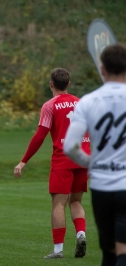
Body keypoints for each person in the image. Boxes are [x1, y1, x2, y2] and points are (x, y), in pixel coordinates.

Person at [13, 68, 90, 259]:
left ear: (51, 84)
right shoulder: (81, 103)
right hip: (83, 158)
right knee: (76, 200)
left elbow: (40, 136)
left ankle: (57, 250)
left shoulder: (50, 106)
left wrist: (23, 161)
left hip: (63, 159)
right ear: (69, 84)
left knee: (58, 204)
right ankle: (81, 234)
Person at [64, 44, 126, 266]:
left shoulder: (88, 101)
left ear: (102, 69)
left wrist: (92, 163)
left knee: (109, 252)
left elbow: (70, 146)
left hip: (101, 187)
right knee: (123, 252)